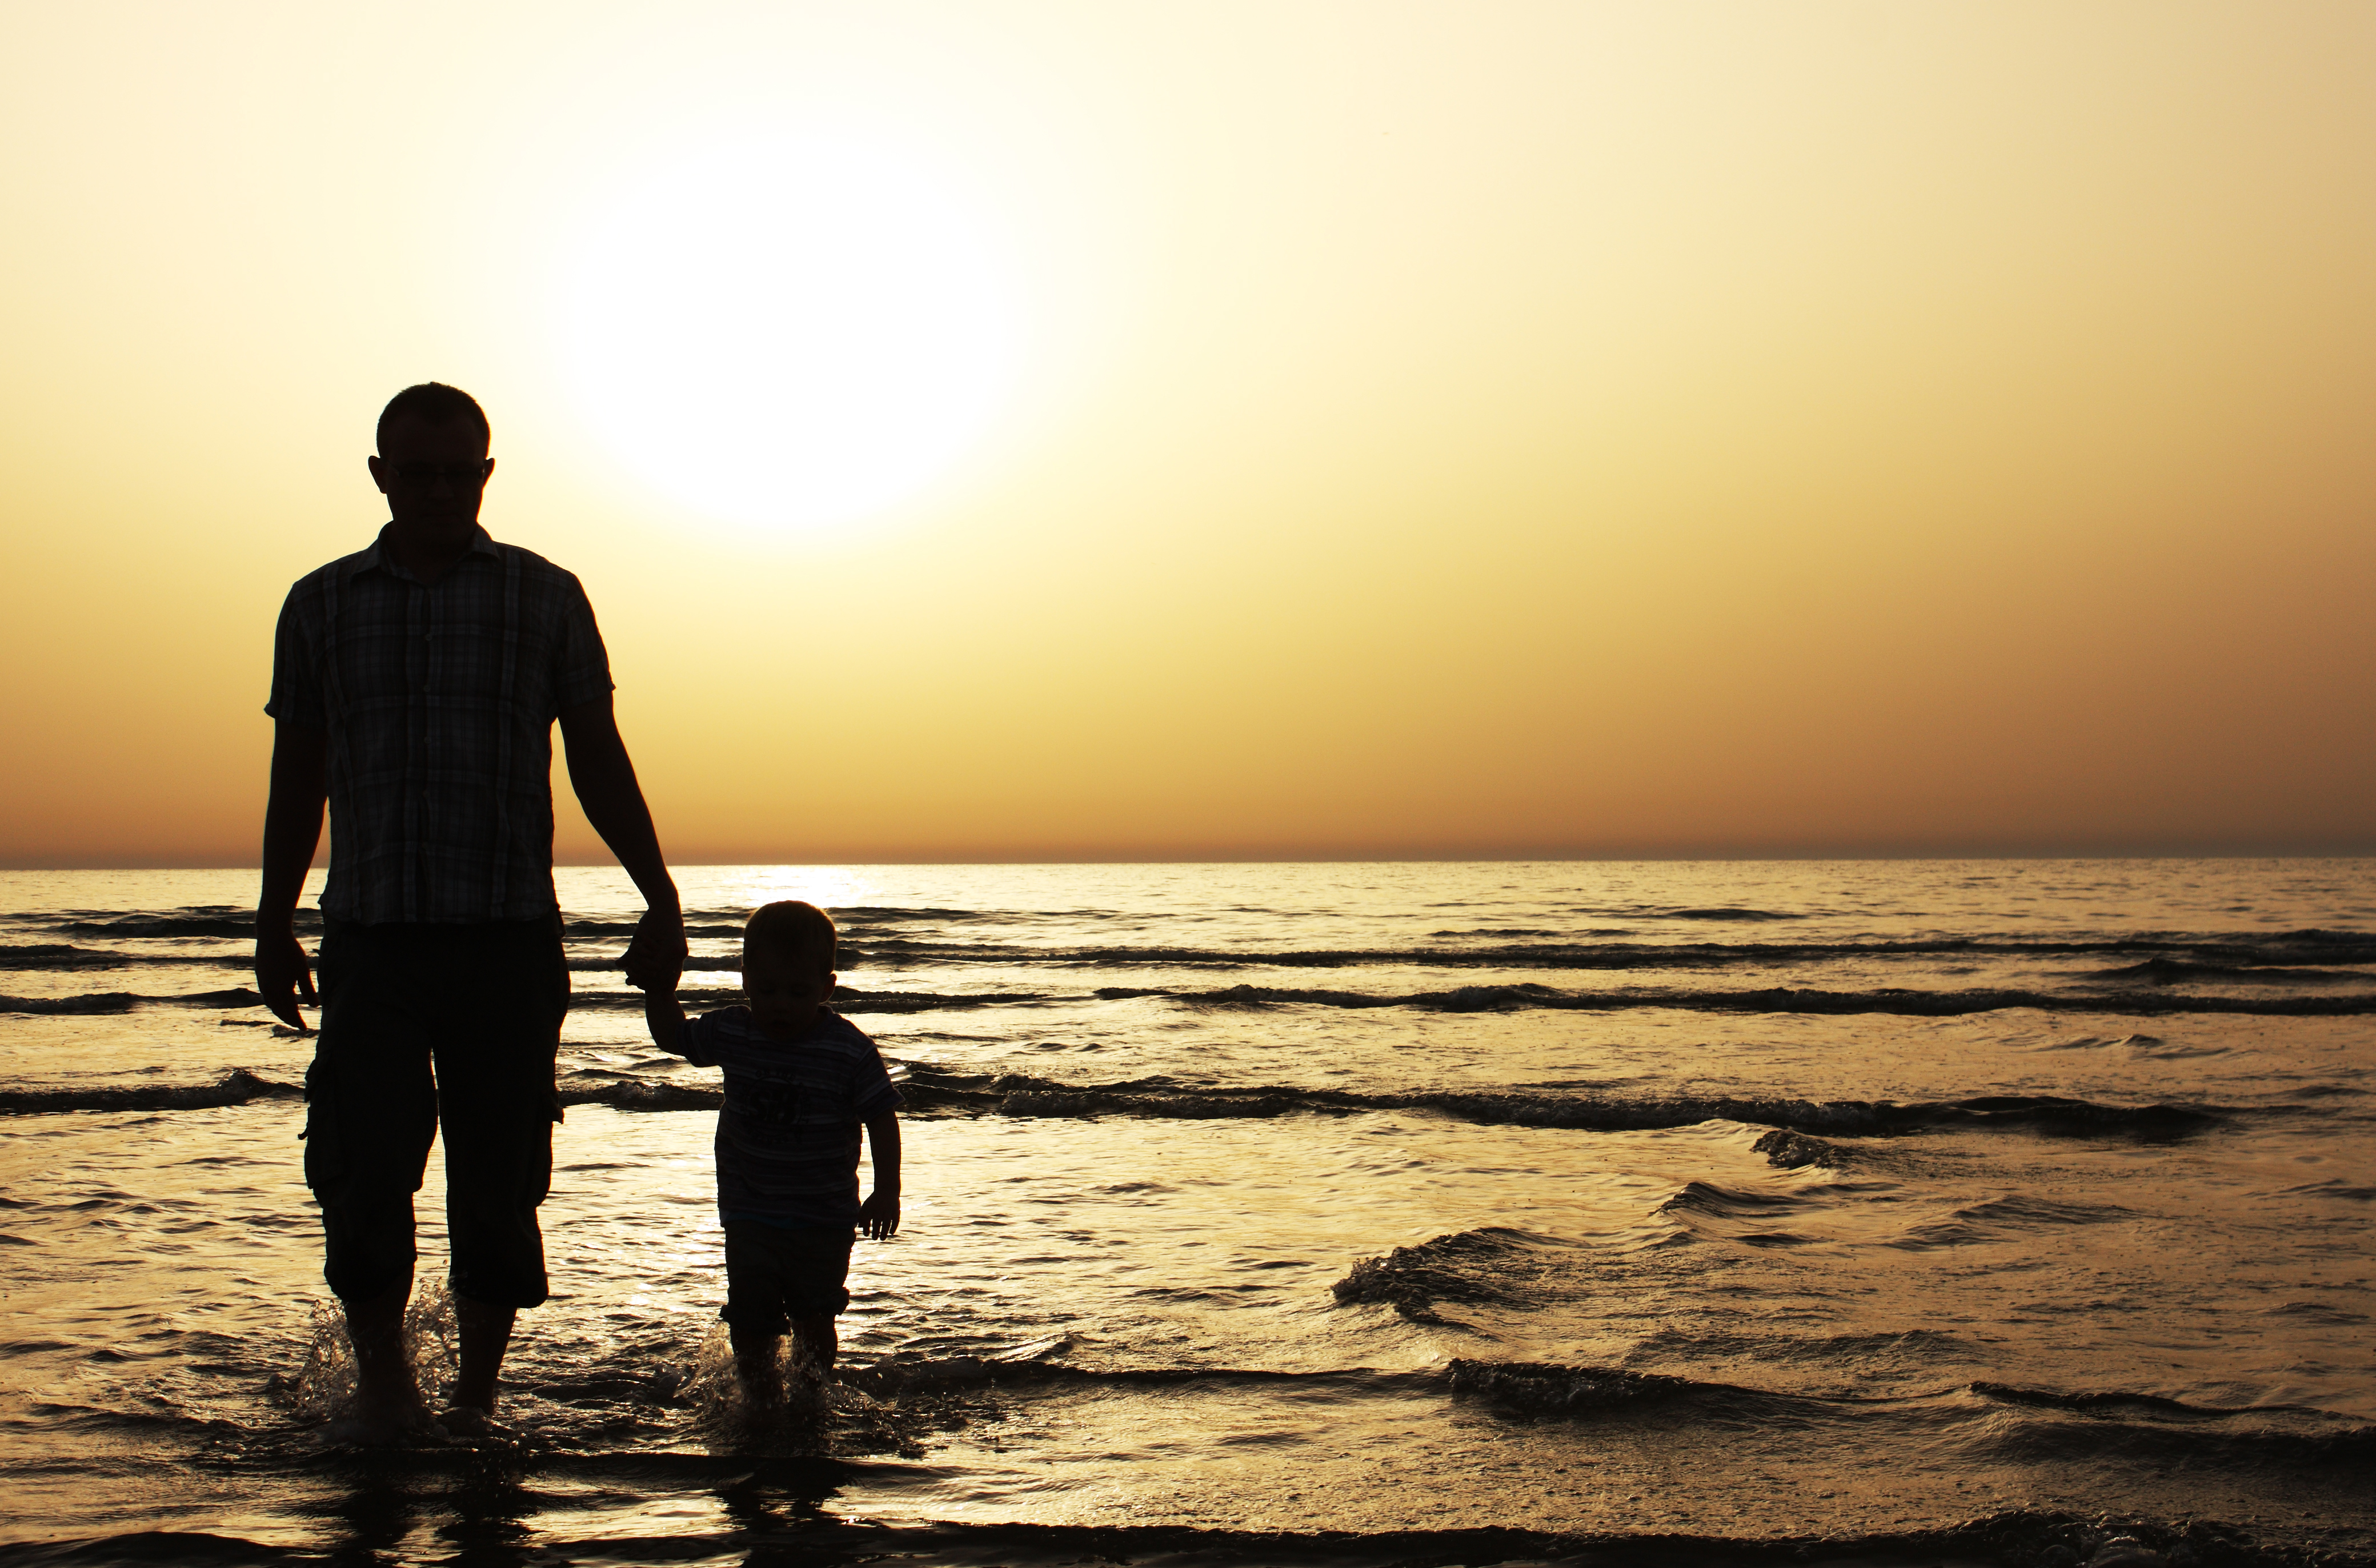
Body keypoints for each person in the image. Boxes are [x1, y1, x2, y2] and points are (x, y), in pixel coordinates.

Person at [254, 382, 686, 1441]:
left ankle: (479, 1400)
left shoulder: (546, 597)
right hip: (373, 942)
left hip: (505, 942)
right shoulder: (319, 604)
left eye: (460, 471)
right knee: (362, 1172)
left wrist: (660, 894)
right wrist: (273, 919)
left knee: (497, 1187)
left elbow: (596, 759)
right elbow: (296, 776)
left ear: (486, 476)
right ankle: (386, 1391)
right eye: (418, 472)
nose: (440, 489)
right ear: (381, 476)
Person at [636, 900, 901, 1405]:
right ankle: (758, 1397)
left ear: (826, 987)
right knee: (752, 1310)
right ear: (745, 981)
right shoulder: (734, 1030)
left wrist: (887, 1190)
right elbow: (672, 1035)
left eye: (798, 993)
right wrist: (658, 989)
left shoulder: (847, 1049)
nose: (780, 1005)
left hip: (823, 1215)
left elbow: (881, 1117)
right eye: (767, 991)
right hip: (750, 1207)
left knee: (815, 1312)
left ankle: (811, 1394)